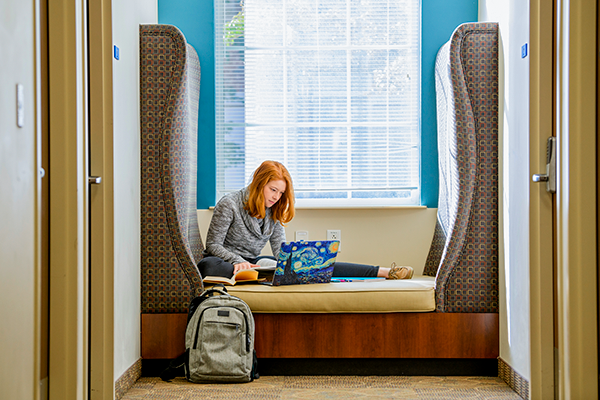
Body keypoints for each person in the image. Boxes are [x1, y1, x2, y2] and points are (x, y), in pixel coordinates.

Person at [198, 160, 414, 280]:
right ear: (258, 184)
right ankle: (253, 273)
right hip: (224, 262)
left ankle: (384, 271)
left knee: (309, 264)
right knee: (209, 267)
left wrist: (298, 261)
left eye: (281, 193)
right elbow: (213, 245)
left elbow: (280, 251)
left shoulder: (274, 210)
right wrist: (237, 261)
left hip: (254, 263)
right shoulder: (229, 204)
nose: (276, 197)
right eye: (273, 190)